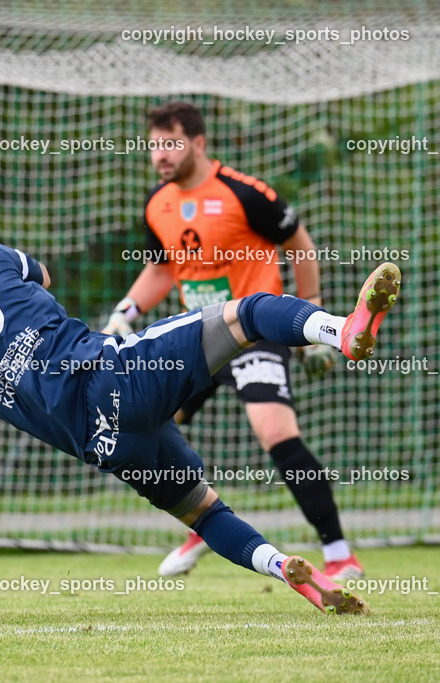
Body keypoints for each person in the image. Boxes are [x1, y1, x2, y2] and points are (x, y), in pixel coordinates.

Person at [0, 224, 401, 614]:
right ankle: (342, 330)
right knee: (248, 312)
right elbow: (42, 275)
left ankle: (282, 568)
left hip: (104, 442)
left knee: (204, 514)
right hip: (115, 376)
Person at [102, 102, 362, 581]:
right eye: (153, 145)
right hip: (196, 336)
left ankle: (340, 553)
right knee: (143, 426)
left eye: (170, 143)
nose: (159, 154)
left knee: (275, 433)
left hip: (253, 332)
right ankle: (203, 521)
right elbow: (163, 267)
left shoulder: (245, 193)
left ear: (198, 144)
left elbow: (299, 244)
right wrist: (125, 313)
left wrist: (313, 320)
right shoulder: (156, 202)